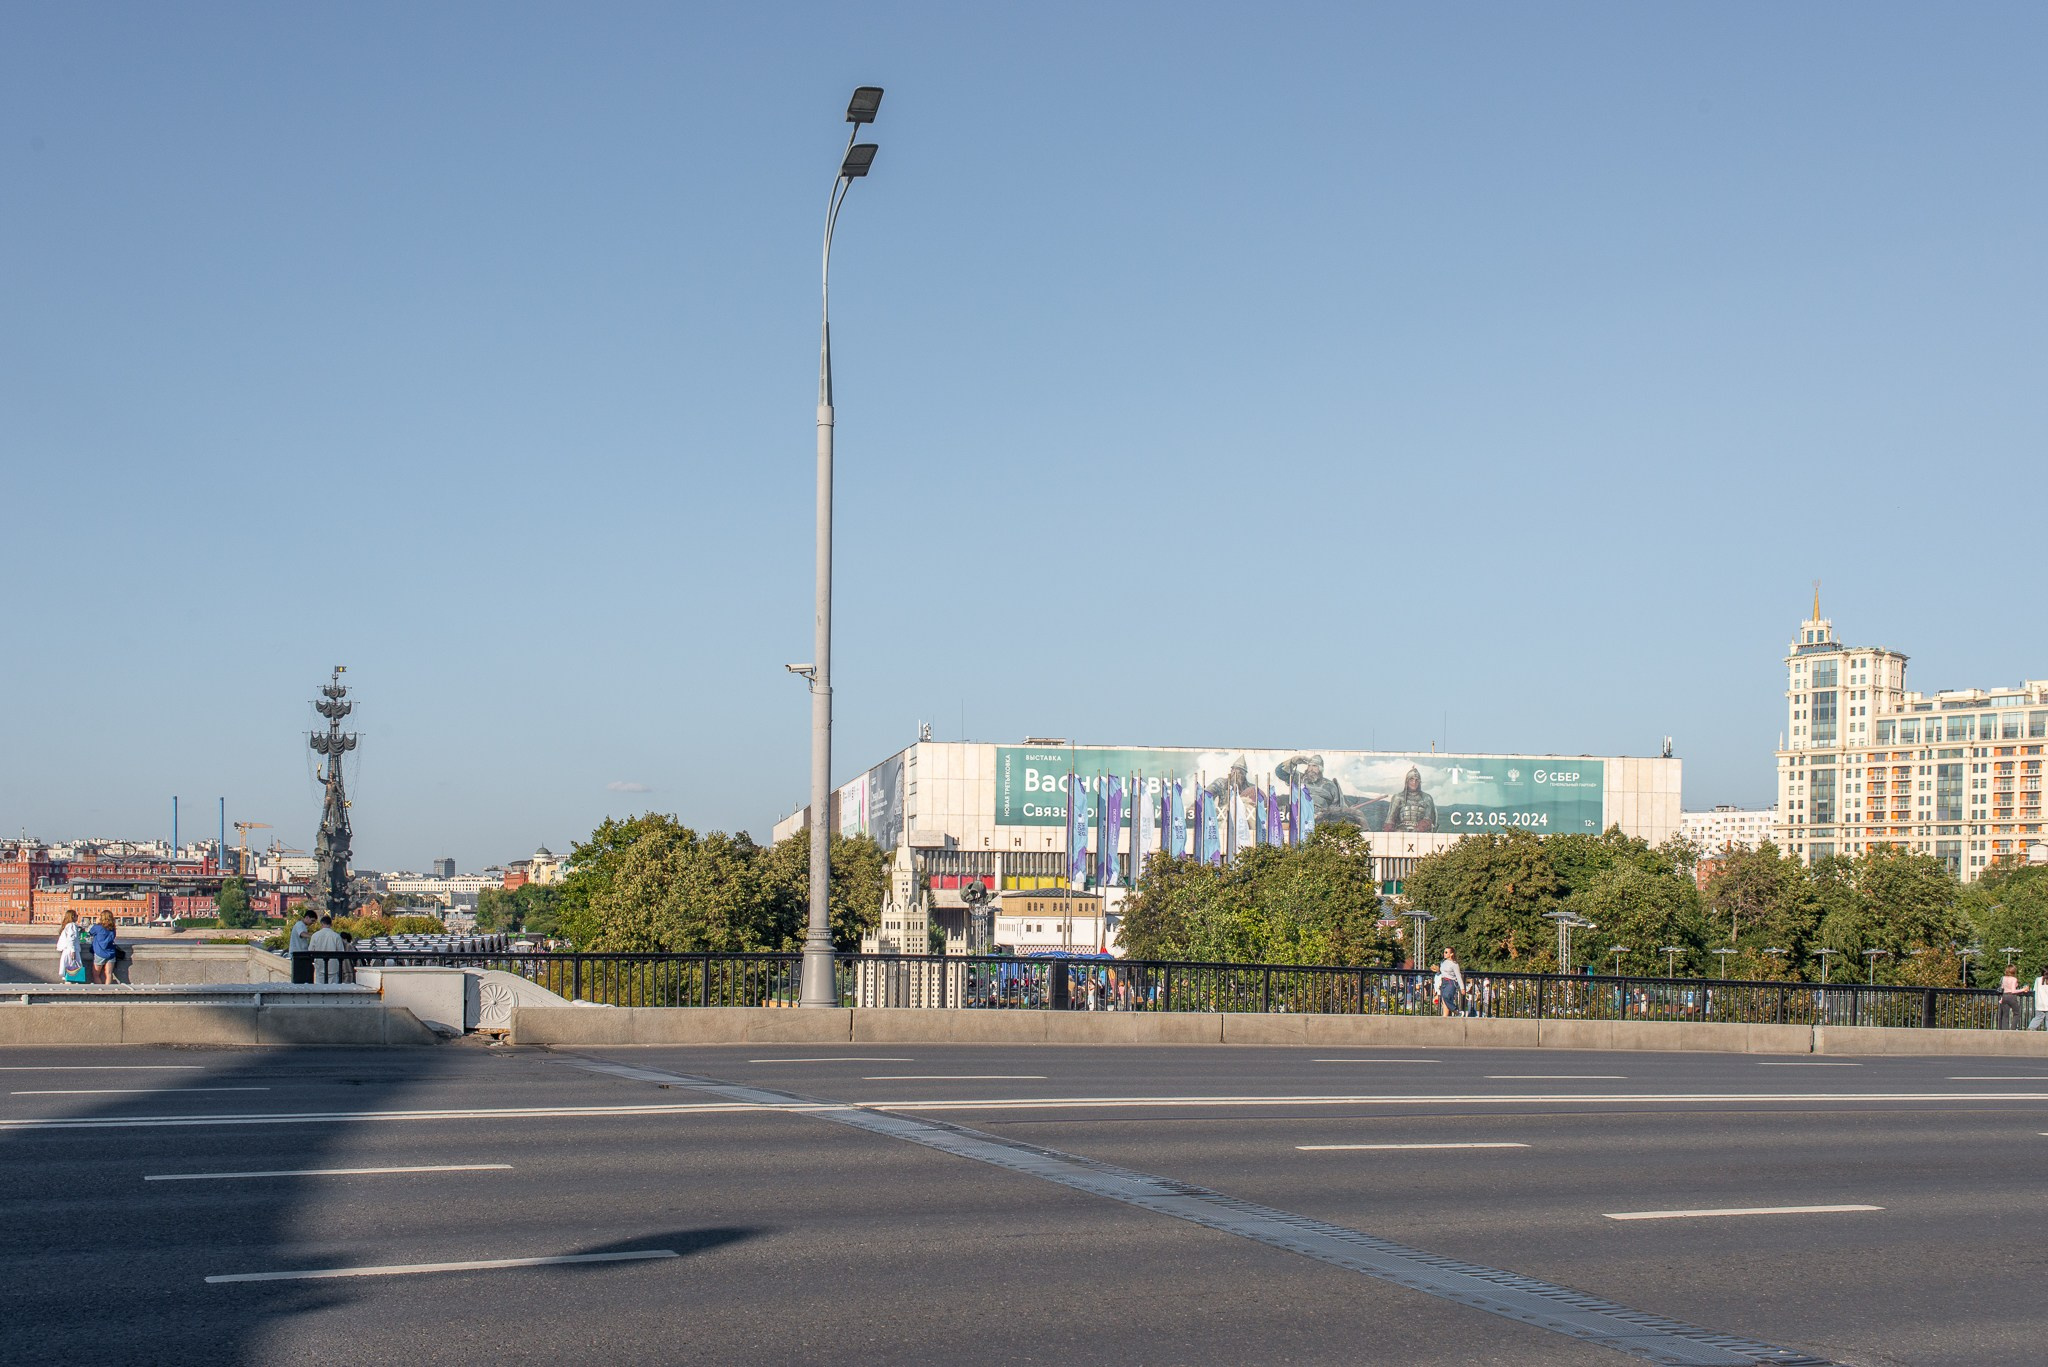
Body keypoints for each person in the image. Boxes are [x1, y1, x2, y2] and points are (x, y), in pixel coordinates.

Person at [1383, 766, 1438, 833]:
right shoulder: (1398, 797)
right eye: (1411, 779)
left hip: (1421, 832)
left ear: (1419, 782)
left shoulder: (1427, 798)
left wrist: (1417, 829)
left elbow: (1428, 819)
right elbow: (1390, 821)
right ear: (1407, 781)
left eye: (1417, 780)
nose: (1414, 782)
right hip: (1401, 831)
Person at [308, 914, 346, 984]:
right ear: (331, 924)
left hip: (319, 965)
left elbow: (310, 951)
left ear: (321, 923)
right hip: (333, 966)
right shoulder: (336, 936)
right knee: (333, 989)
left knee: (320, 988)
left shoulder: (315, 935)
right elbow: (341, 952)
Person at [89, 911, 120, 985]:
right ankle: (108, 990)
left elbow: (90, 932)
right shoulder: (112, 929)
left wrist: (96, 923)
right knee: (109, 973)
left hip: (100, 953)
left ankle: (100, 990)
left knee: (96, 974)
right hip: (111, 953)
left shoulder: (98, 927)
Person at [56, 910, 87, 984]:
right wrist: (72, 950)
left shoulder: (68, 925)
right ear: (73, 917)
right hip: (71, 950)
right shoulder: (72, 925)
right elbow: (71, 938)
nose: (77, 917)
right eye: (76, 915)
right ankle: (72, 984)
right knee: (73, 968)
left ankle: (69, 983)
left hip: (67, 950)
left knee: (68, 969)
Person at [1435, 947, 1464, 1017]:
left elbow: (1458, 976)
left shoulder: (1454, 964)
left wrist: (1462, 988)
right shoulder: (1443, 962)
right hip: (1443, 982)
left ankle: (1456, 1010)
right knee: (1444, 1001)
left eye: (1446, 952)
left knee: (1446, 996)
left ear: (1451, 954)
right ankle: (1445, 1016)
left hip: (1451, 982)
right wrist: (1437, 970)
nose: (1444, 954)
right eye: (1444, 952)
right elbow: (1443, 972)